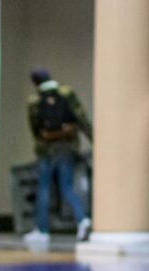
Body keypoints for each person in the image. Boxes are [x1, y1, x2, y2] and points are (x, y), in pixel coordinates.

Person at [25, 67, 92, 244]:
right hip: (67, 147)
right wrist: (94, 139)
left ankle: (42, 229)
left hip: (47, 150)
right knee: (67, 186)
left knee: (44, 188)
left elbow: (35, 128)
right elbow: (81, 118)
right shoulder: (66, 93)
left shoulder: (35, 100)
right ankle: (82, 220)